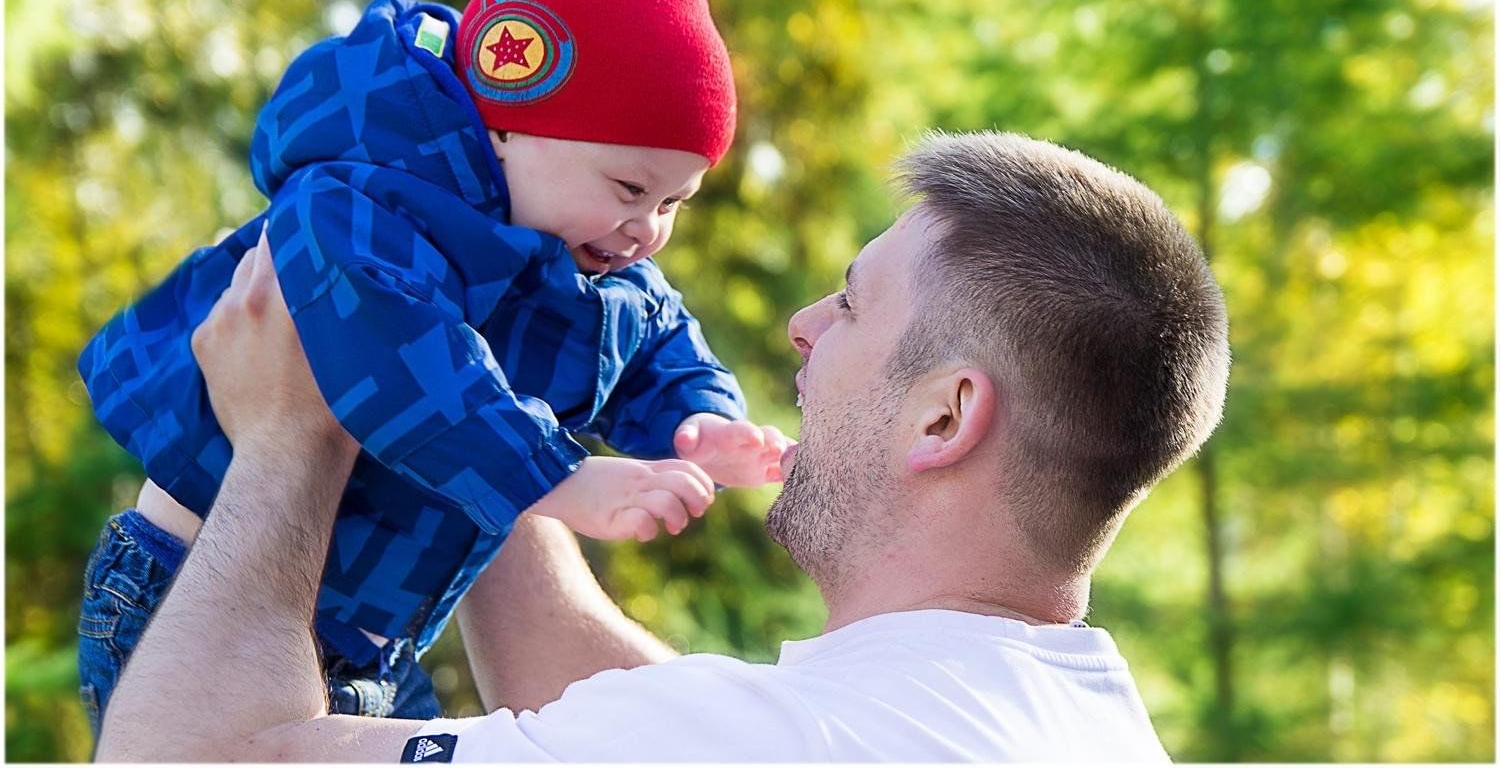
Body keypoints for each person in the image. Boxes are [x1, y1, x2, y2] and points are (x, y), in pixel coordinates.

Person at [96, 130, 1231, 762]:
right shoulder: (1065, 723)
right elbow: (634, 714)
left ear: (944, 417)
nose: (802, 325)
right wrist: (464, 404)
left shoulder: (787, 743)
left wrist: (291, 439)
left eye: (848, 303)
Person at [75, 0, 790, 733]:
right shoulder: (364, 200)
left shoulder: (569, 246)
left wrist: (698, 417)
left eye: (677, 201)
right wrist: (559, 477)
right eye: (630, 188)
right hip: (194, 587)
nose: (650, 228)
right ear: (512, 123)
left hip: (369, 647)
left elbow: (649, 330)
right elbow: (405, 362)